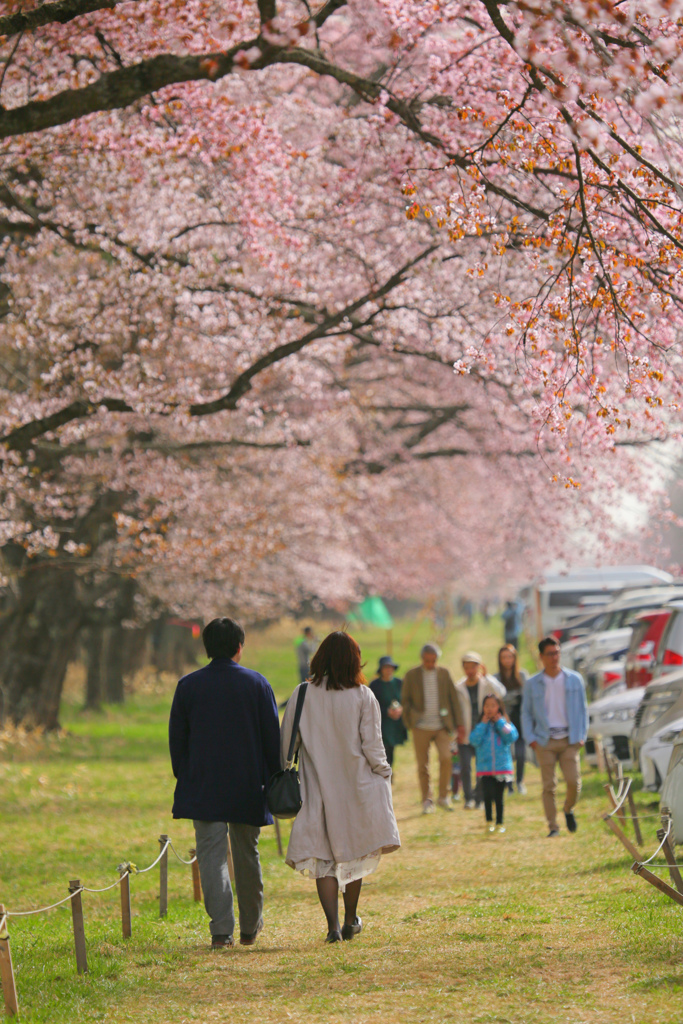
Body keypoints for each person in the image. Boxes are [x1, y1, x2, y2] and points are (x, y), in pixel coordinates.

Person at [281, 632, 400, 944]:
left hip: (315, 786)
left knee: (323, 858)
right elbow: (374, 747)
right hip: (355, 785)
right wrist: (384, 773)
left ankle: (332, 926)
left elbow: (286, 745)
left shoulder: (302, 693)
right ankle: (350, 920)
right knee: (354, 852)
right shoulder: (363, 695)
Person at [169, 617, 280, 949]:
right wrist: (272, 778)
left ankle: (221, 930)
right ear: (239, 647)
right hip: (247, 784)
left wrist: (185, 773)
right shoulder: (257, 684)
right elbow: (271, 738)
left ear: (206, 648)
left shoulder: (188, 686)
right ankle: (249, 926)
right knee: (247, 853)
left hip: (203, 783)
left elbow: (178, 740)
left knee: (211, 856)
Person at [521, 636, 589, 837]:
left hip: (570, 739)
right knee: (549, 786)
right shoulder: (533, 684)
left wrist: (582, 735)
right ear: (542, 657)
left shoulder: (574, 679)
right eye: (550, 654)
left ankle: (568, 809)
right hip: (544, 740)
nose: (554, 658)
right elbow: (525, 712)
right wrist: (531, 738)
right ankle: (553, 826)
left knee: (573, 781)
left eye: (557, 652)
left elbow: (583, 709)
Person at [401, 643, 465, 814]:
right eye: (427, 661)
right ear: (422, 659)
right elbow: (405, 700)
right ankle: (427, 800)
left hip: (442, 726)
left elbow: (453, 699)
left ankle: (444, 795)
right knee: (423, 765)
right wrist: (410, 721)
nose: (430, 664)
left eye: (433, 660)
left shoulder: (444, 674)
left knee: (446, 758)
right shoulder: (411, 675)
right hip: (420, 727)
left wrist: (458, 723)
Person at [456, 652, 506, 810]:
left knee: (481, 766)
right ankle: (468, 798)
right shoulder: (459, 687)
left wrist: (488, 675)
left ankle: (479, 797)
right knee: (465, 766)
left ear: (479, 667)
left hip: (482, 732)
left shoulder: (487, 683)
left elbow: (501, 692)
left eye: (473, 667)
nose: (470, 671)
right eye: (467, 667)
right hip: (465, 733)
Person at [469, 694, 518, 833]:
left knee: (499, 796)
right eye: (486, 706)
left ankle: (500, 822)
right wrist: (483, 725)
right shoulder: (481, 725)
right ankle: (489, 821)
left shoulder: (504, 723)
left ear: (499, 707)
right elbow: (474, 740)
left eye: (493, 705)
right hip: (485, 768)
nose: (489, 709)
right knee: (487, 795)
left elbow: (512, 736)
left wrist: (500, 722)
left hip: (502, 768)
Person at [495, 644, 529, 794]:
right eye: (504, 657)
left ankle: (520, 781)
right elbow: (497, 699)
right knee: (506, 753)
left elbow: (526, 697)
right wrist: (513, 697)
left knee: (521, 753)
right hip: (503, 720)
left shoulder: (522, 676)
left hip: (519, 718)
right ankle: (508, 784)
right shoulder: (496, 678)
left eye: (510, 657)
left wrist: (507, 699)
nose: (507, 660)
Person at [369, 655, 408, 768]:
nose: (388, 670)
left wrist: (401, 709)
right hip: (382, 723)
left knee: (391, 748)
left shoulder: (399, 683)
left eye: (390, 667)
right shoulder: (375, 685)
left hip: (395, 722)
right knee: (383, 748)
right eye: (386, 667)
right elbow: (371, 705)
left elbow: (405, 700)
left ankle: (390, 771)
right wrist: (386, 711)